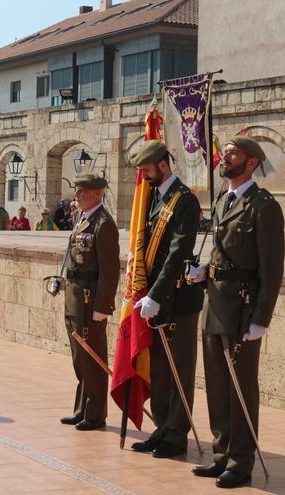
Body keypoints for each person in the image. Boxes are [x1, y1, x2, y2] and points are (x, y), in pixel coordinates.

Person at [185, 136, 285, 489]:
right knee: (216, 384)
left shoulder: (264, 206)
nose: (225, 158)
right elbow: (221, 253)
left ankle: (240, 463)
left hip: (243, 309)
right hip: (214, 301)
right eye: (225, 153)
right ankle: (221, 453)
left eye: (233, 154)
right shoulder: (222, 201)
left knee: (241, 387)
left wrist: (261, 318)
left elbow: (272, 270)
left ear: (252, 162)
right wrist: (202, 272)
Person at [127, 140, 204, 459]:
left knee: (179, 369)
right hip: (155, 299)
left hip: (178, 300)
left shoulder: (184, 201)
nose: (144, 177)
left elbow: (178, 252)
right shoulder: (156, 198)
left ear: (163, 164)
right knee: (159, 368)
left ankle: (177, 433)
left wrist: (156, 295)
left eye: (147, 170)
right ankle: (162, 426)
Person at [60, 173, 119, 431]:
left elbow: (110, 270)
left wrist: (102, 307)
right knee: (79, 359)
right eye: (77, 191)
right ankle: (82, 408)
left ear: (98, 193)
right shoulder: (82, 219)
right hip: (74, 297)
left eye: (83, 191)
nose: (77, 195)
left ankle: (95, 414)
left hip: (89, 301)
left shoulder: (103, 223)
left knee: (92, 359)